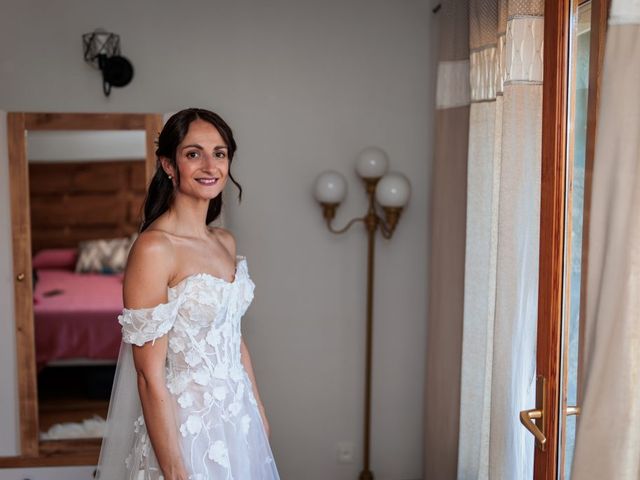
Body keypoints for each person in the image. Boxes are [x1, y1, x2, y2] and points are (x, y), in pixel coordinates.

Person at [96, 108, 280, 479]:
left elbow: (233, 336)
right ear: (168, 164)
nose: (210, 165)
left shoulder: (225, 242)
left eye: (220, 153)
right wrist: (174, 468)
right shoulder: (155, 249)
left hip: (238, 420)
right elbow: (148, 376)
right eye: (194, 153)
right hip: (187, 429)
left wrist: (259, 414)